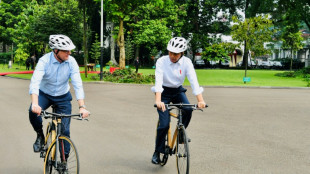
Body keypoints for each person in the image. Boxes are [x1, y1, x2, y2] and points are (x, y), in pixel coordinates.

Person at [28, 34, 90, 155]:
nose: (69, 53)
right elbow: (35, 82)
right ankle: (40, 135)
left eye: (70, 50)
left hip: (63, 97)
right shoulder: (44, 61)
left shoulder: (71, 62)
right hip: (45, 94)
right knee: (32, 111)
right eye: (66, 50)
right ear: (56, 51)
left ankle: (64, 161)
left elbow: (77, 84)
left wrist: (82, 107)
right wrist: (35, 104)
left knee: (65, 131)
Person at [151, 37, 206, 164]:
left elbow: (194, 81)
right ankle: (157, 151)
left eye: (175, 54)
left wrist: (201, 100)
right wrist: (158, 100)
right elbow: (158, 81)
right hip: (163, 92)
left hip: (177, 91)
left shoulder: (187, 62)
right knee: (164, 124)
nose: (172, 56)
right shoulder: (161, 61)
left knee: (188, 109)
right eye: (170, 52)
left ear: (182, 53)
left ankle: (181, 133)